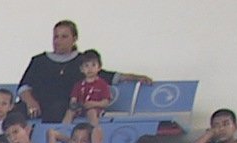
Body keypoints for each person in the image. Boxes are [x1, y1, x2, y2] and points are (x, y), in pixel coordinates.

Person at [16, 20, 146, 125]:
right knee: (14, 113)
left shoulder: (82, 61)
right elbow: (24, 87)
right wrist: (30, 102)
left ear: (74, 39)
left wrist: (135, 77)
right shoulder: (39, 61)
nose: (58, 41)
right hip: (38, 105)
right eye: (56, 37)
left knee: (57, 109)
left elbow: (105, 75)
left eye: (64, 37)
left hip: (63, 107)